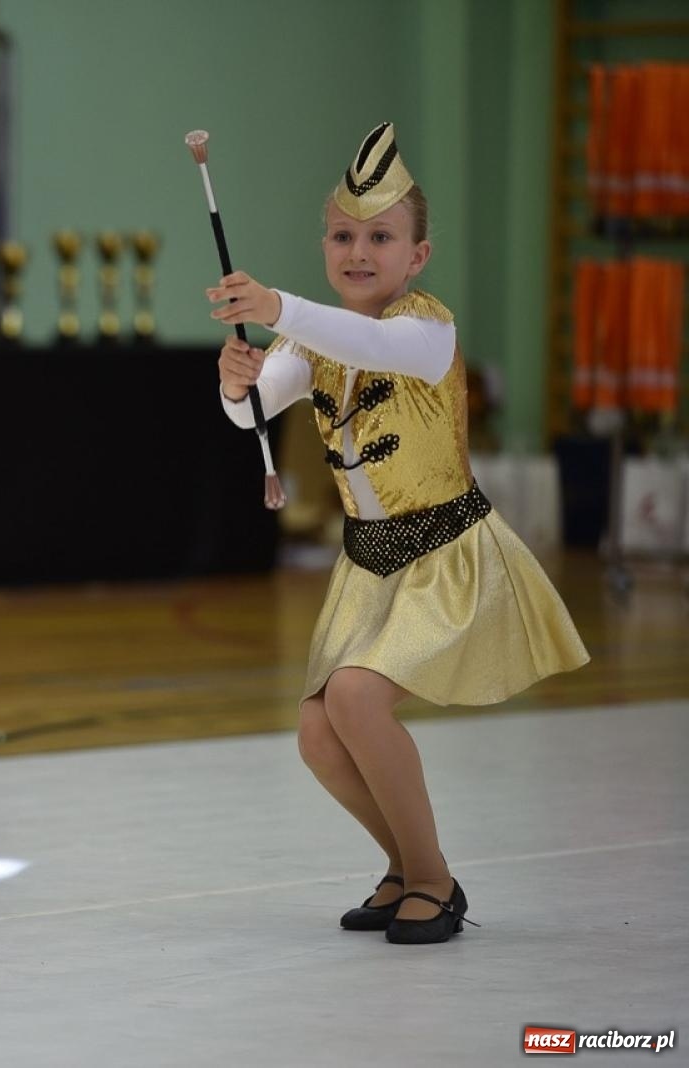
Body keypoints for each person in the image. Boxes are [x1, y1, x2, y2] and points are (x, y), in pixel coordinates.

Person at [208, 123, 588, 944]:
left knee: (354, 697)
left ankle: (434, 880)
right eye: (343, 236)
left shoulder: (425, 331)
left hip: (446, 557)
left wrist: (277, 308)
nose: (358, 251)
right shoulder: (312, 338)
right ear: (324, 246)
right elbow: (253, 412)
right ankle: (406, 867)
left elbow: (368, 342)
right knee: (318, 733)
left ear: (417, 256)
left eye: (380, 237)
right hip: (367, 566)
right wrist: (235, 382)